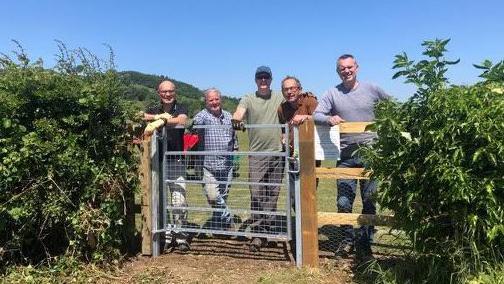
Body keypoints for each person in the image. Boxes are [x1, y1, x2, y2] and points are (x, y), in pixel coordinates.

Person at [313, 54, 390, 259]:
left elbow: (392, 108)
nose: (346, 71)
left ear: (357, 67)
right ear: (337, 71)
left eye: (349, 67)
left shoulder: (372, 89)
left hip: (371, 155)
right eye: (342, 68)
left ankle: (365, 242)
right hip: (345, 156)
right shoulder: (332, 93)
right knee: (344, 202)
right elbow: (316, 115)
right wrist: (330, 118)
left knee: (369, 200)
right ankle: (346, 239)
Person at [232, 66, 284, 252]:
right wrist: (237, 119)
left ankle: (265, 232)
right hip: (256, 154)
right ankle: (258, 232)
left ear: (271, 79)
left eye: (266, 77)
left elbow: (292, 108)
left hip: (278, 153)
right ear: (255, 80)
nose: (263, 81)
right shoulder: (248, 97)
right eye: (260, 77)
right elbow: (239, 113)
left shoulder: (279, 97)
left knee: (273, 193)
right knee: (256, 192)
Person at [144, 80, 190, 252]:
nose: (168, 94)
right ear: (159, 93)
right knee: (159, 200)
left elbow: (182, 121)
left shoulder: (182, 107)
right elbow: (141, 116)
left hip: (175, 161)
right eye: (164, 92)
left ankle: (181, 237)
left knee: (179, 200)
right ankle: (166, 237)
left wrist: (162, 122)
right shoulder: (153, 109)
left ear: (175, 92)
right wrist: (158, 117)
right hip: (157, 162)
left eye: (171, 91)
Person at [192, 88, 238, 231]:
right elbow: (196, 122)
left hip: (226, 163)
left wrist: (236, 158)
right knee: (213, 197)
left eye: (216, 99)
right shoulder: (203, 115)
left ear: (221, 99)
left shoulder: (229, 116)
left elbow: (234, 139)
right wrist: (192, 124)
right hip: (208, 165)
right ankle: (228, 218)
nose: (214, 102)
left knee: (223, 196)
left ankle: (220, 225)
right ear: (206, 102)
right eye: (210, 100)